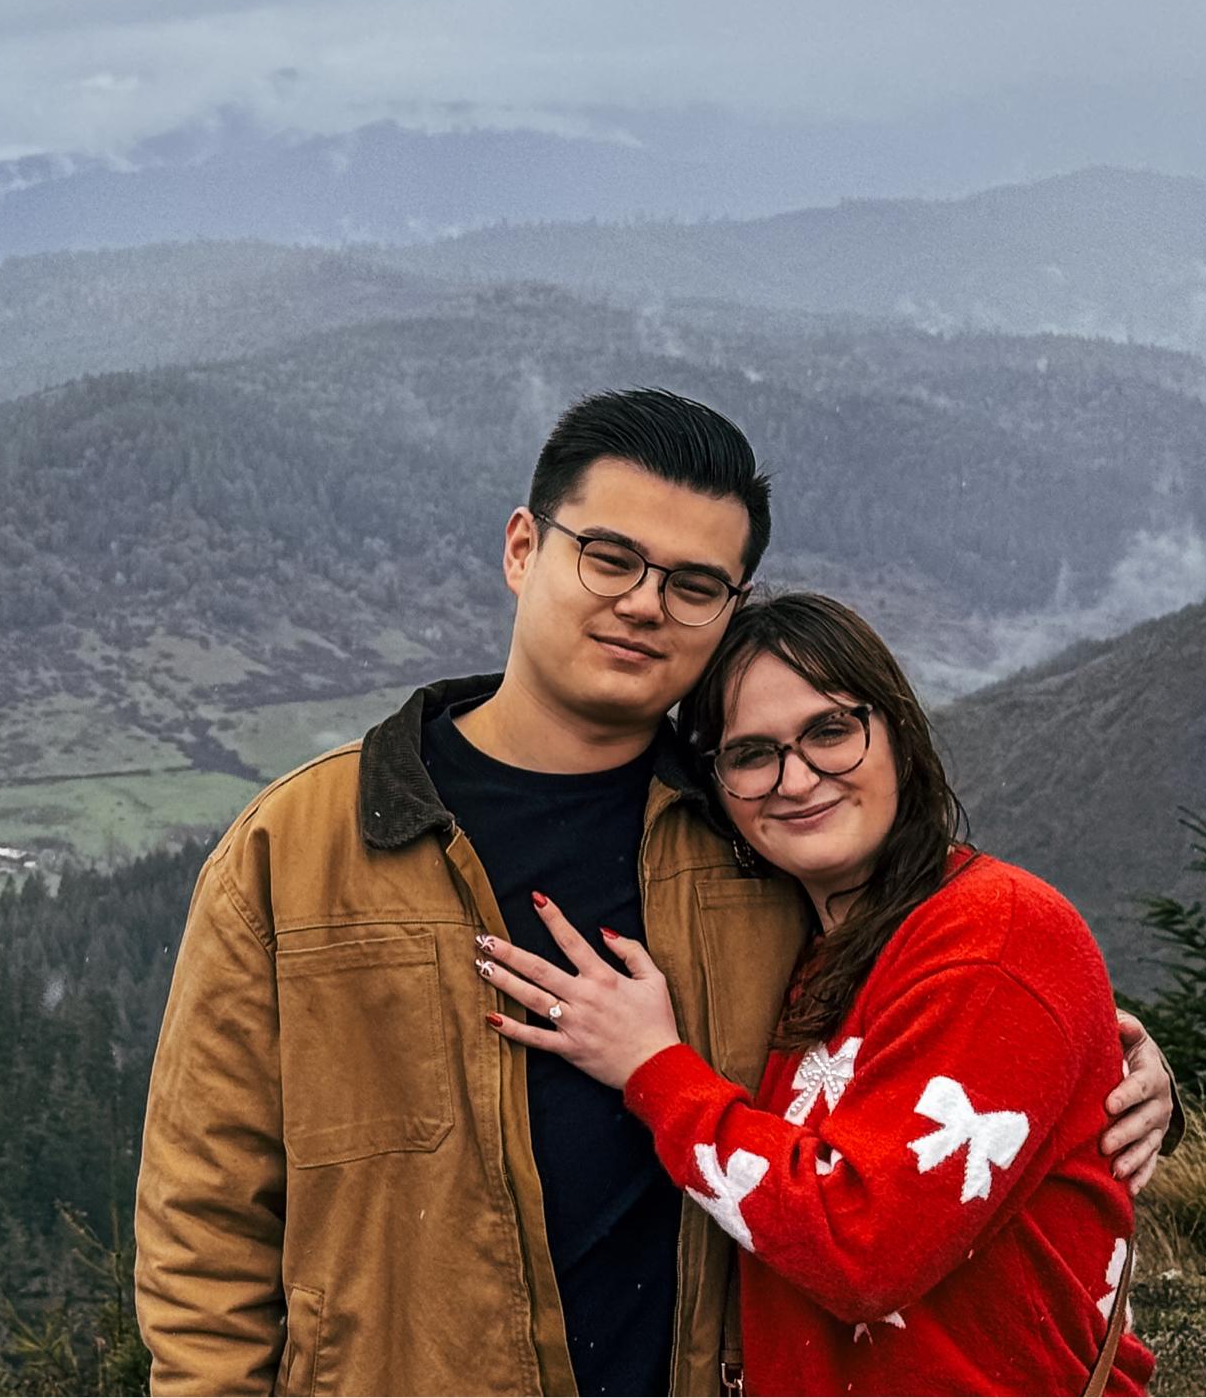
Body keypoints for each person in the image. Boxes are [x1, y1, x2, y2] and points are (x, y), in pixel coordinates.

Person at [133, 390, 1176, 1395]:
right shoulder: (300, 848)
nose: (643, 602)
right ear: (522, 548)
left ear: (729, 610)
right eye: (610, 556)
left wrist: (1108, 1064)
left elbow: (928, 1014)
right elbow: (206, 1213)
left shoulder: (757, 839)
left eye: (694, 583)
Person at [476, 592, 1156, 1394]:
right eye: (751, 753)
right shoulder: (804, 944)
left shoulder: (996, 933)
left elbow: (863, 1249)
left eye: (830, 731)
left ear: (898, 733)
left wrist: (651, 1067)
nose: (795, 780)